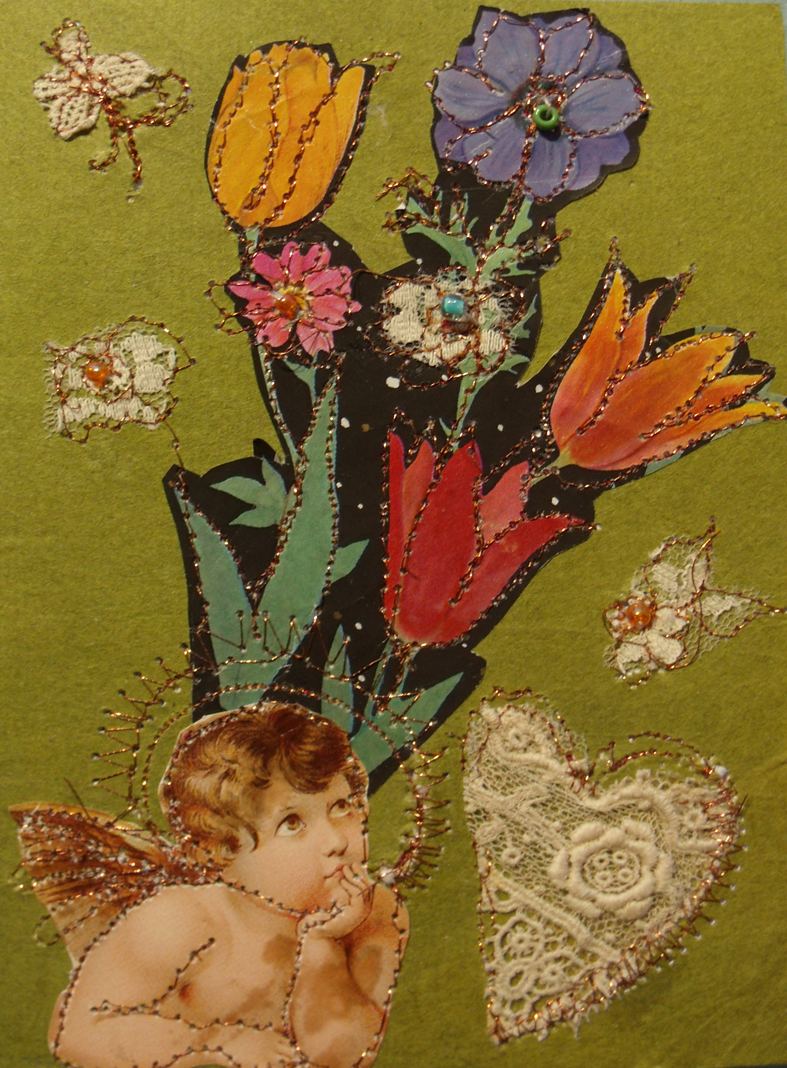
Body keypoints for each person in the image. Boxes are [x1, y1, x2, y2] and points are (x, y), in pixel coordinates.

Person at [48, 702, 409, 1068]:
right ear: (219, 854)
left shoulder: (376, 914)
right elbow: (75, 1032)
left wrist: (320, 944)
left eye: (342, 806)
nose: (336, 841)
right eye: (292, 823)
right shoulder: (183, 920)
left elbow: (343, 1058)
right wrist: (214, 1043)